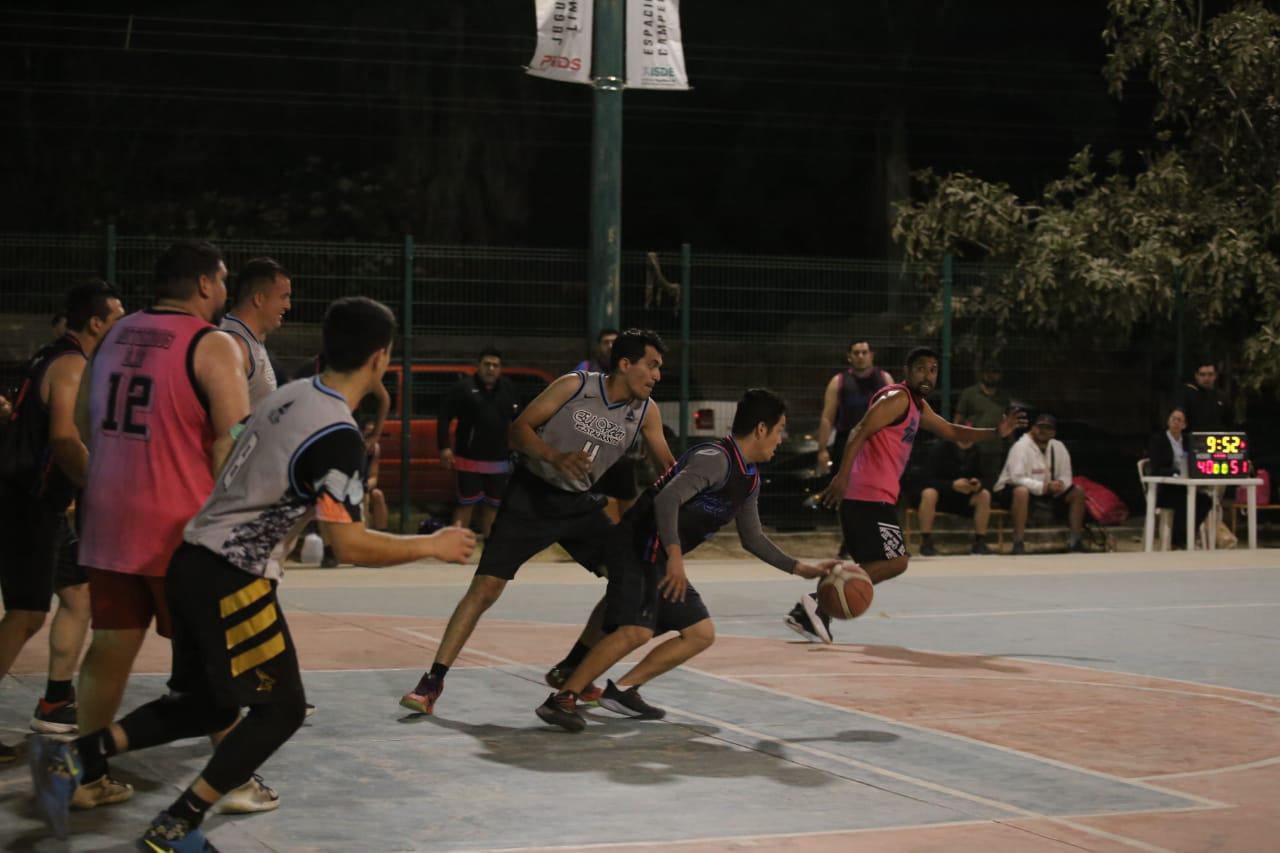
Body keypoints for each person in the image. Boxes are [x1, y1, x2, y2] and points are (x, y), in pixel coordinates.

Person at [29, 296, 476, 849]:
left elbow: (234, 453)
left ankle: (73, 759)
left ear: (323, 348)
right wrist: (432, 544)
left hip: (191, 561)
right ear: (381, 359)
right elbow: (349, 544)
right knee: (280, 710)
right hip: (233, 576)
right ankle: (176, 826)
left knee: (205, 705)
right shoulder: (337, 434)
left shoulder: (288, 397)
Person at [400, 329, 675, 716]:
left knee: (626, 577)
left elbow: (668, 465)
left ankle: (570, 667)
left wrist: (701, 485)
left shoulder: (646, 412)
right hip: (531, 494)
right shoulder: (575, 386)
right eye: (652, 366)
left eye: (660, 369)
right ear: (626, 364)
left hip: (579, 505)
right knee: (487, 587)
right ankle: (432, 681)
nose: (657, 376)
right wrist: (553, 457)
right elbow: (518, 431)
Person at [71, 240, 251, 810]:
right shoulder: (211, 343)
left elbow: (82, 420)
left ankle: (84, 775)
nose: (225, 292)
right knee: (214, 665)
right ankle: (236, 782)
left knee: (107, 653)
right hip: (179, 528)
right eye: (222, 281)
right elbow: (234, 441)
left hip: (108, 518)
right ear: (203, 284)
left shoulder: (112, 338)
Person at [537, 390, 834, 732]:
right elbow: (667, 500)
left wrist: (799, 568)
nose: (782, 439)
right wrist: (676, 558)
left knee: (700, 633)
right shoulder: (715, 458)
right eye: (780, 429)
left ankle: (623, 690)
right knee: (636, 630)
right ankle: (561, 698)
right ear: (761, 429)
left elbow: (752, 538)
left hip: (662, 553)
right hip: (639, 543)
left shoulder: (748, 478)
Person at [788, 347, 1022, 643]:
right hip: (867, 495)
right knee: (895, 561)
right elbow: (858, 430)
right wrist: (842, 476)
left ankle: (811, 609)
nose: (928, 374)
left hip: (874, 496)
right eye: (921, 368)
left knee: (876, 564)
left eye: (933, 369)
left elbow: (951, 430)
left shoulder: (917, 406)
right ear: (908, 372)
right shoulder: (897, 398)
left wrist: (996, 433)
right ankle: (816, 605)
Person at [0, 282, 124, 763]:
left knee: (78, 596)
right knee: (27, 613)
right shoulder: (73, 365)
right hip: (29, 502)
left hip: (41, 503)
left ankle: (55, 700)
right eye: (117, 316)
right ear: (96, 322)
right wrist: (102, 485)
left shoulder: (50, 355)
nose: (124, 323)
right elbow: (66, 440)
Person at [817, 339, 893, 557]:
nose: (861, 356)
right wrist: (822, 449)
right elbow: (827, 417)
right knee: (847, 494)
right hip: (847, 442)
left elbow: (896, 413)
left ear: (871, 355)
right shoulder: (839, 382)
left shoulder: (885, 379)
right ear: (849, 356)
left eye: (864, 352)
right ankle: (849, 542)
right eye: (856, 352)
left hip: (877, 443)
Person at [438, 347, 519, 537]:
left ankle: (491, 550)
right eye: (487, 364)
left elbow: (519, 420)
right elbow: (444, 417)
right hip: (468, 459)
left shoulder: (509, 389)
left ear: (500, 368)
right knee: (465, 504)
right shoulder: (462, 388)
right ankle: (454, 547)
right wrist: (444, 447)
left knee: (494, 506)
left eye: (495, 365)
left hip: (499, 460)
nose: (491, 369)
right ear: (478, 366)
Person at [994, 413, 1087, 554]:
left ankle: (1075, 541)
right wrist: (1042, 487)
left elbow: (1066, 475)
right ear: (1033, 428)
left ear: (1053, 432)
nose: (1043, 431)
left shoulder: (1059, 447)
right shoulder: (1021, 447)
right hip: (1013, 491)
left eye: (1048, 428)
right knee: (1021, 492)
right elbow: (1016, 477)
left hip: (1047, 492)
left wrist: (1060, 484)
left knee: (1078, 492)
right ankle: (1018, 542)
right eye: (1040, 427)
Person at [220, 257, 292, 406]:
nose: (288, 306)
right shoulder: (234, 345)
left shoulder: (250, 338)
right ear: (259, 299)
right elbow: (229, 425)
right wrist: (252, 428)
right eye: (283, 297)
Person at [915, 434, 992, 556]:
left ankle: (979, 542)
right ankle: (926, 541)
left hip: (965, 497)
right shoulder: (940, 449)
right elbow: (925, 479)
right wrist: (951, 485)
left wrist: (978, 484)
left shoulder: (977, 451)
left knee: (984, 495)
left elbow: (989, 478)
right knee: (928, 493)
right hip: (941, 496)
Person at [1148, 407, 1212, 547]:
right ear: (1168, 421)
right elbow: (1155, 469)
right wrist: (1175, 472)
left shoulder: (1188, 441)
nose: (1176, 422)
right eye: (1173, 419)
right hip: (1166, 488)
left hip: (1184, 486)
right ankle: (1178, 541)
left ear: (1184, 425)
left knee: (1206, 501)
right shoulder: (1159, 440)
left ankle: (1188, 535)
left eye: (1179, 420)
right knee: (1184, 501)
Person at [954, 362, 1010, 488]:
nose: (991, 376)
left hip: (994, 447)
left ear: (999, 376)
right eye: (988, 373)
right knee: (970, 481)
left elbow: (1007, 422)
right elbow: (959, 417)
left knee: (991, 483)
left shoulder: (1004, 397)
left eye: (994, 373)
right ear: (983, 374)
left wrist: (1009, 444)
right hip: (973, 446)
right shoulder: (969, 393)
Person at [1175, 362, 1232, 432]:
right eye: (1202, 374)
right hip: (1193, 438)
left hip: (1217, 439)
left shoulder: (1222, 396)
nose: (1206, 378)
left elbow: (1228, 421)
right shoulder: (1187, 394)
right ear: (1196, 376)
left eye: (1210, 374)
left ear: (1215, 376)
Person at [361, 416, 389, 531]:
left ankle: (382, 533)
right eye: (368, 436)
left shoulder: (375, 449)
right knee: (364, 497)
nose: (371, 440)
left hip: (362, 486)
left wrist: (366, 485)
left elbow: (374, 477)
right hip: (348, 488)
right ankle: (364, 534)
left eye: (374, 435)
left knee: (377, 494)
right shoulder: (353, 449)